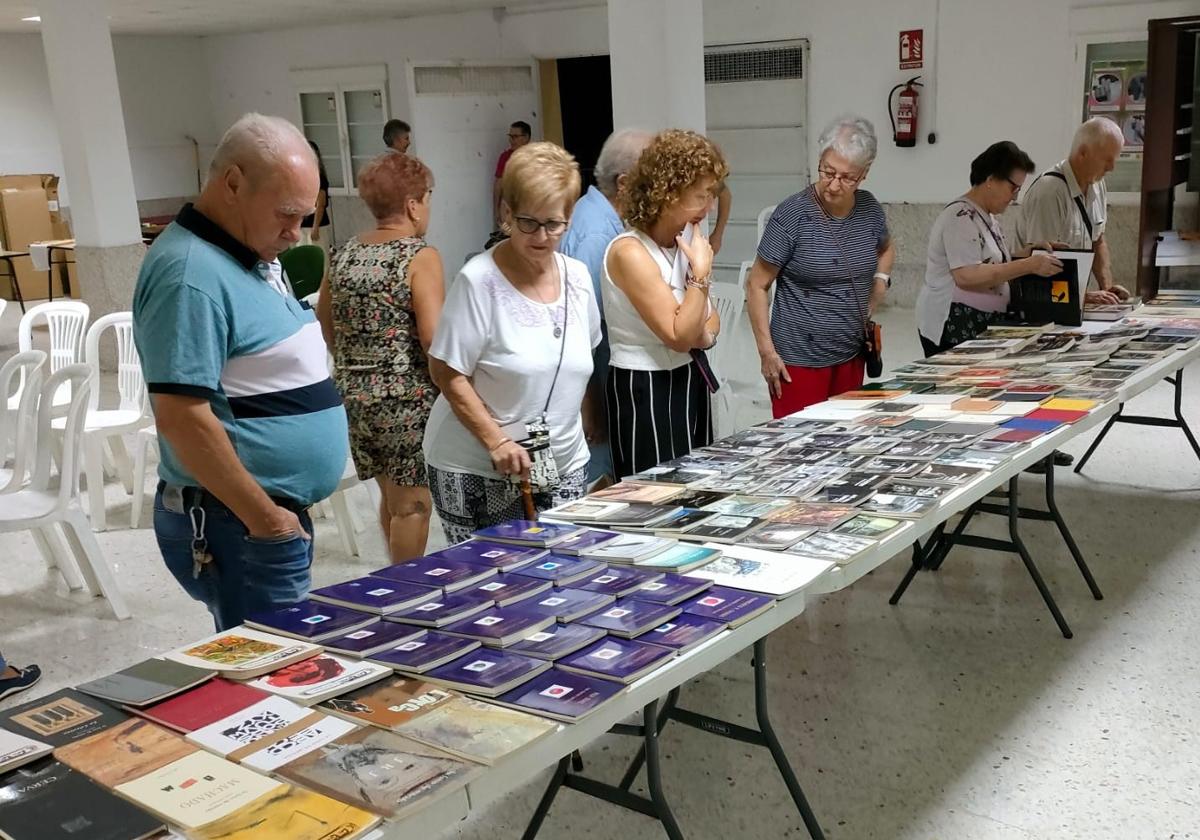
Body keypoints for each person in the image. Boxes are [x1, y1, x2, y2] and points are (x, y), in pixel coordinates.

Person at [133, 113, 349, 632]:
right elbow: (182, 417)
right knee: (272, 673)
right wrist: (265, 518)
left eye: (304, 217)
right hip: (238, 521)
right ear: (232, 183)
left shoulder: (247, 253)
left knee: (284, 663)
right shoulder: (190, 275)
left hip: (260, 519)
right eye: (286, 215)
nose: (295, 234)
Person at [424, 142, 600, 544]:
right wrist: (496, 439)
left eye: (554, 224)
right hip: (478, 467)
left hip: (562, 463)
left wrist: (586, 419)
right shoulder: (478, 281)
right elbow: (445, 372)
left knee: (563, 579)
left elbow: (581, 358)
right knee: (492, 593)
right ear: (506, 213)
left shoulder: (577, 278)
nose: (541, 236)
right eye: (528, 222)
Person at [317, 152, 443, 563]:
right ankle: (406, 593)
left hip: (354, 394)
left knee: (391, 498)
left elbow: (325, 319)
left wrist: (355, 364)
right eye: (426, 197)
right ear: (412, 204)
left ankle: (392, 581)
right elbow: (433, 339)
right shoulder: (419, 256)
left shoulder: (343, 253)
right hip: (405, 400)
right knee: (414, 506)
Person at [746, 115, 896, 417]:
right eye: (828, 171)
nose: (834, 184)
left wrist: (879, 283)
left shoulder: (869, 209)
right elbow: (757, 284)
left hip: (851, 354)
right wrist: (766, 352)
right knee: (799, 448)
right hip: (798, 361)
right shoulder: (792, 215)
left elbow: (887, 247)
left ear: (864, 174)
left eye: (847, 177)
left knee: (845, 442)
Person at [603, 129, 725, 479]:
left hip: (688, 375)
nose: (709, 207)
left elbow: (710, 320)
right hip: (645, 385)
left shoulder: (683, 241)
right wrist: (700, 275)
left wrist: (699, 333)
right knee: (656, 494)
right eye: (701, 196)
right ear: (668, 193)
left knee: (698, 484)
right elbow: (678, 335)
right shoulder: (630, 251)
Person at [559, 128, 654, 485]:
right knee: (601, 485)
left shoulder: (591, 212)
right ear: (626, 183)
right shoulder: (598, 234)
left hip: (594, 386)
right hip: (594, 389)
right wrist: (593, 408)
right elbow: (588, 335)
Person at [917, 141, 1063, 357]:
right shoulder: (959, 217)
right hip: (954, 324)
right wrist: (1029, 265)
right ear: (991, 179)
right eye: (1013, 188)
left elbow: (993, 262)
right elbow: (967, 275)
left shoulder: (986, 216)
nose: (1015, 197)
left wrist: (1032, 252)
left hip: (982, 320)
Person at [1014, 117, 1129, 304]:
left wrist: (1107, 289)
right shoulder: (1050, 192)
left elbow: (1097, 240)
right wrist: (1084, 296)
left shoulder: (1097, 184)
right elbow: (1041, 263)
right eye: (1107, 160)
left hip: (1073, 300)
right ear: (1083, 153)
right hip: (1041, 303)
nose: (1112, 168)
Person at [299, 140, 332, 263]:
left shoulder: (319, 177)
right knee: (304, 261)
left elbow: (320, 204)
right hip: (303, 225)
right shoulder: (302, 176)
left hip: (316, 225)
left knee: (320, 260)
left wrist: (315, 227)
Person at [493, 121, 532, 225]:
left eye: (515, 136)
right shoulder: (505, 157)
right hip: (510, 209)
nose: (511, 140)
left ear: (526, 138)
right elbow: (498, 184)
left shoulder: (536, 157)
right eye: (510, 136)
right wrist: (496, 211)